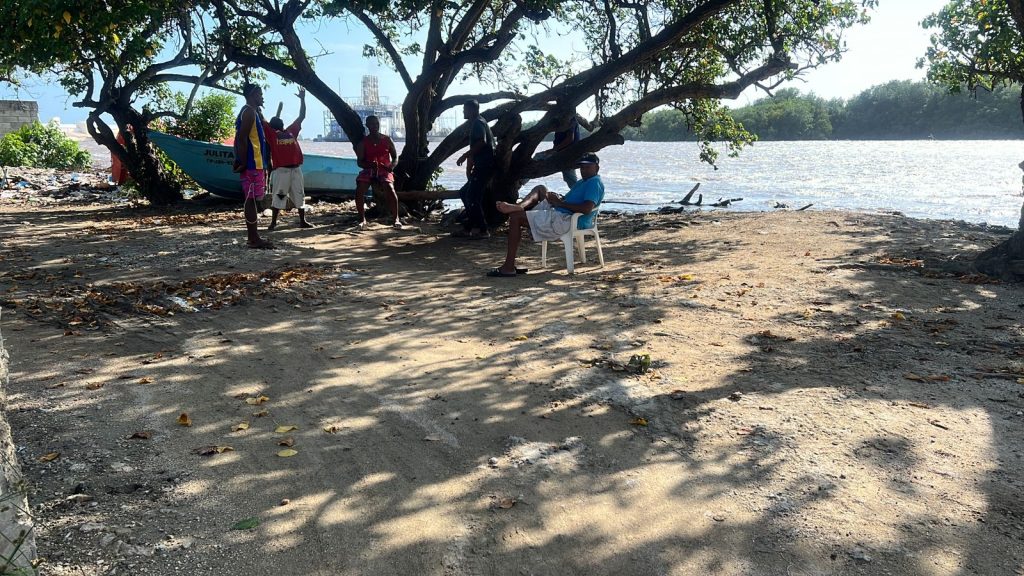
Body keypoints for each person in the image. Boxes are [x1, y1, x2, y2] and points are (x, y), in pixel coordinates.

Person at [487, 153, 604, 277]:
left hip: (567, 220)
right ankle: (519, 206)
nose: (583, 170)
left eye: (587, 167)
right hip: (561, 212)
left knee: (515, 217)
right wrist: (557, 199)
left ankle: (508, 267)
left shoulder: (594, 183)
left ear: (596, 168)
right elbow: (572, 200)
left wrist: (559, 203)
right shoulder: (583, 182)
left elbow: (586, 209)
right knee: (541, 189)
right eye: (582, 167)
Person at [264, 88, 311, 230]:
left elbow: (302, 116)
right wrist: (256, 106)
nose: (279, 121)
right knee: (279, 196)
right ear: (273, 126)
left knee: (299, 195)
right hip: (282, 171)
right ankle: (273, 222)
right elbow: (261, 118)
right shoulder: (272, 135)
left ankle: (302, 221)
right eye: (276, 121)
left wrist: (302, 99)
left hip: (296, 169)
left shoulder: (291, 131)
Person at [232, 83, 273, 249]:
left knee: (252, 199)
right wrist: (242, 161)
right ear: (252, 94)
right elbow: (242, 138)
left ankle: (254, 236)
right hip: (252, 163)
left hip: (255, 162)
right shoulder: (249, 112)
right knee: (250, 199)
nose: (262, 97)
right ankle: (253, 238)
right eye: (260, 94)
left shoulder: (251, 112)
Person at [455, 99, 495, 238]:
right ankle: (470, 227)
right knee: (464, 193)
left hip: (485, 167)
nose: (463, 112)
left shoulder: (478, 123)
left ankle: (483, 230)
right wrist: (469, 166)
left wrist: (465, 155)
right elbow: (476, 146)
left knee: (472, 197)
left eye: (465, 109)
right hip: (481, 166)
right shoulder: (478, 122)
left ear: (472, 110)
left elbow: (482, 142)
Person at [354, 115, 402, 229]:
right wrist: (369, 165)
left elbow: (395, 157)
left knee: (390, 188)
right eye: (372, 124)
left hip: (384, 169)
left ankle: (396, 218)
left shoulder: (387, 140)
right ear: (367, 126)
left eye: (376, 123)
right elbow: (359, 162)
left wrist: (391, 166)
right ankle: (362, 219)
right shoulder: (363, 143)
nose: (375, 126)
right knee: (359, 190)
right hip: (369, 170)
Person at [535, 114, 581, 188]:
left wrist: (553, 150)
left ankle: (521, 181)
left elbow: (570, 139)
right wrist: (553, 150)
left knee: (538, 156)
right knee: (570, 178)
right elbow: (558, 140)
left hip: (567, 153)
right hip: (563, 153)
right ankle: (577, 193)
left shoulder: (570, 119)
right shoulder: (560, 121)